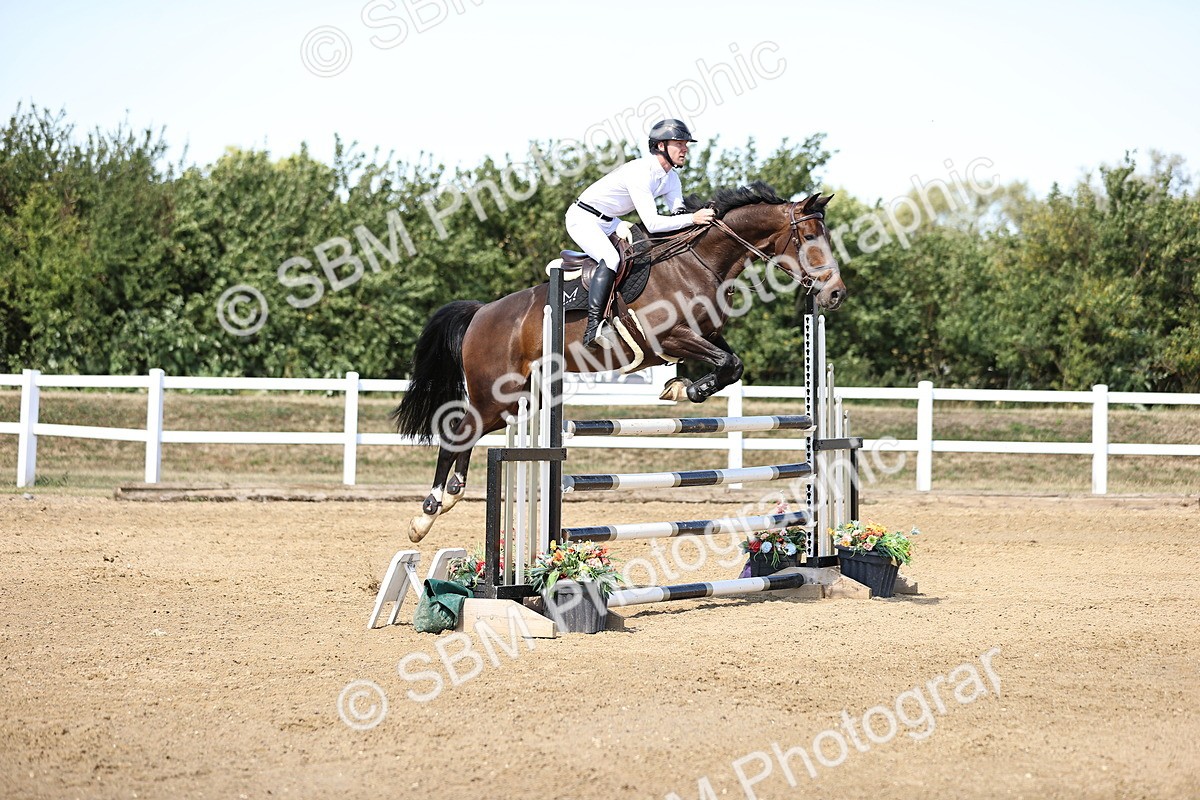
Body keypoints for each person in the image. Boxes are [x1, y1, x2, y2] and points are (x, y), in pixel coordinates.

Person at [566, 118, 717, 348]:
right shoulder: (640, 172)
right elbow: (654, 223)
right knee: (612, 259)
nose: (685, 148)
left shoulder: (671, 178)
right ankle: (593, 327)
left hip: (611, 221)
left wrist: (703, 218)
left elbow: (678, 215)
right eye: (679, 143)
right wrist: (692, 218)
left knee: (640, 250)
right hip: (583, 218)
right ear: (660, 146)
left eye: (686, 144)